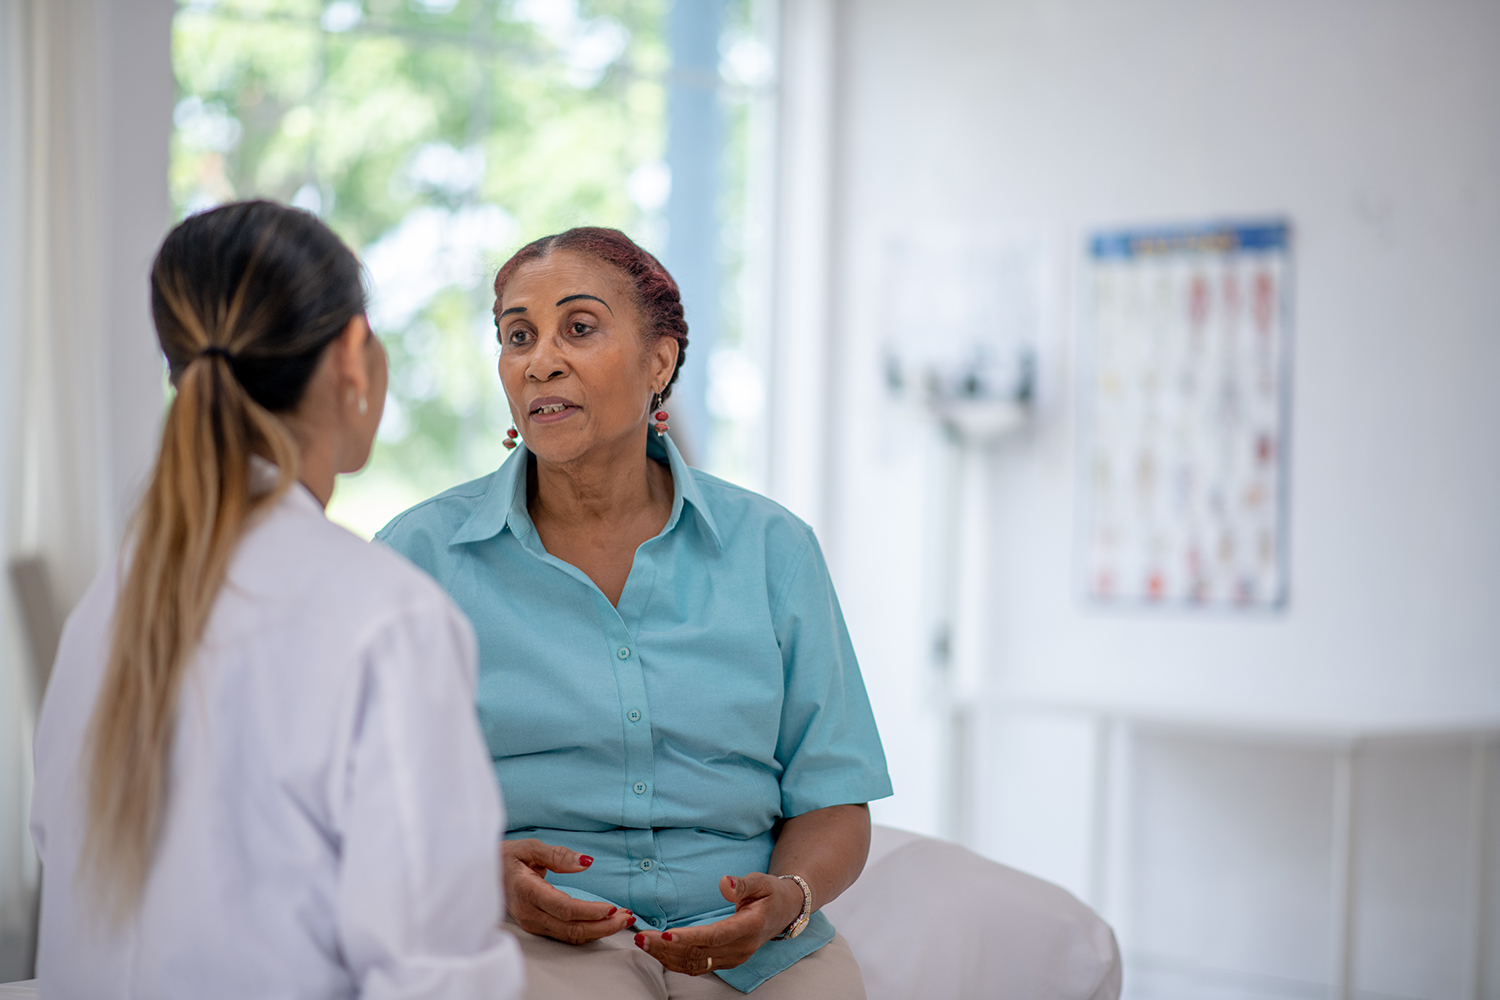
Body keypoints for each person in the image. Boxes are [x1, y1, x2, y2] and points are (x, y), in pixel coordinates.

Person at [376, 227, 893, 999]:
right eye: (518, 336)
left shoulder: (773, 548)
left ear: (660, 361)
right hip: (527, 939)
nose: (540, 358)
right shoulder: (422, 555)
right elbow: (370, 800)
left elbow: (833, 800)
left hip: (759, 954)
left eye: (578, 328)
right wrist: (481, 875)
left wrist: (788, 897)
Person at [29, 201, 524, 1000]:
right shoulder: (386, 617)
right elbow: (435, 977)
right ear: (354, 358)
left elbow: (62, 849)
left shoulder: (110, 601)